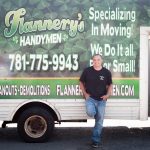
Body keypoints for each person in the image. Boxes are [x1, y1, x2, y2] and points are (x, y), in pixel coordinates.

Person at [79, 54, 112, 148]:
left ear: (101, 61)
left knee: (99, 122)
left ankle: (95, 140)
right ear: (92, 61)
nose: (96, 62)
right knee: (90, 112)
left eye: (98, 60)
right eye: (94, 60)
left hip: (102, 100)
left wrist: (107, 95)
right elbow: (81, 82)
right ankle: (95, 113)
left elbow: (110, 84)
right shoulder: (87, 71)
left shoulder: (106, 72)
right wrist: (85, 94)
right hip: (90, 99)